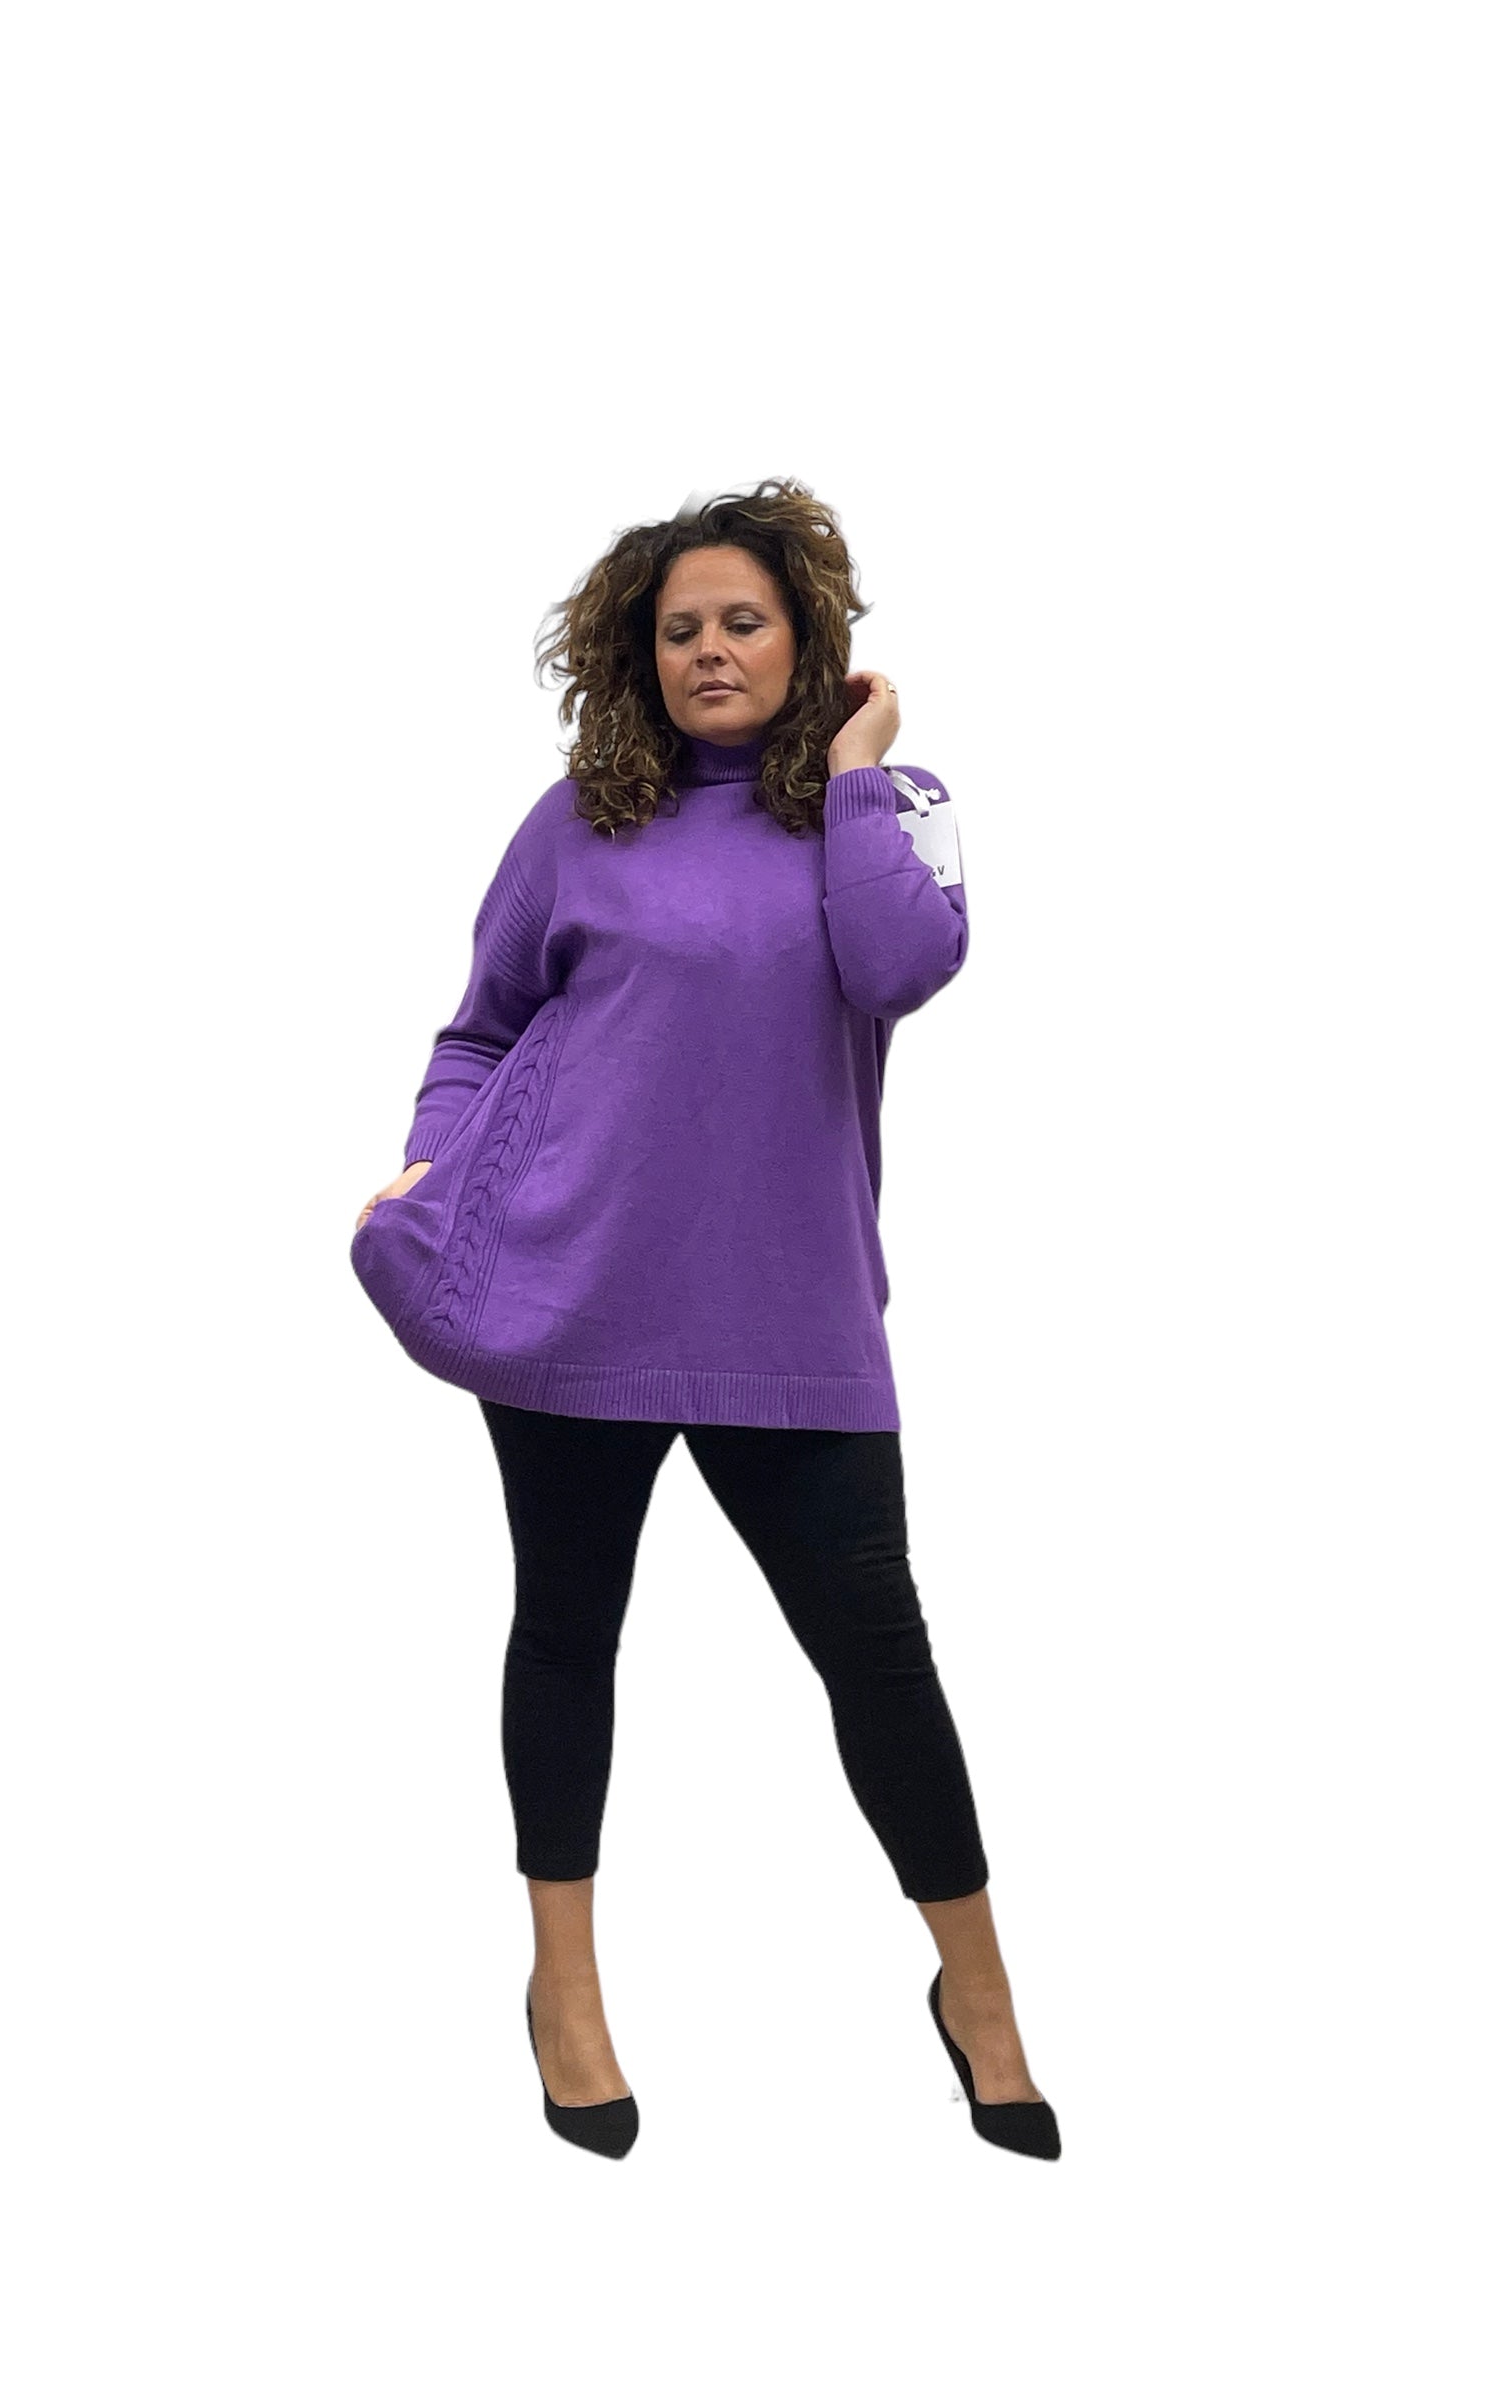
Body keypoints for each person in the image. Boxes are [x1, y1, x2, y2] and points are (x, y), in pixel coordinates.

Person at [349, 478, 1059, 2162]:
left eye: (745, 620)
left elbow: (902, 970)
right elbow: (482, 1025)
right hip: (567, 1296)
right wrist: (431, 1161)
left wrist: (860, 768)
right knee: (566, 1636)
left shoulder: (889, 813)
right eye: (679, 630)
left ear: (810, 638)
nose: (710, 651)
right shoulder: (575, 824)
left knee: (879, 1657)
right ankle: (565, 1991)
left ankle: (979, 1993)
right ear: (638, 653)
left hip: (790, 1314)